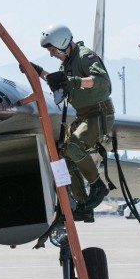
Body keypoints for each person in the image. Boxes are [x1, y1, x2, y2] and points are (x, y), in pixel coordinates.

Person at [26, 24, 113, 222]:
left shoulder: (84, 56)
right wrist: (38, 72)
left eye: (52, 50)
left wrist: (75, 81)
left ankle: (98, 186)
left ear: (62, 44)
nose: (51, 54)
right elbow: (61, 81)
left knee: (74, 147)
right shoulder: (66, 64)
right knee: (64, 156)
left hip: (99, 114)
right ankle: (84, 205)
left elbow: (102, 82)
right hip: (84, 116)